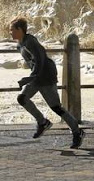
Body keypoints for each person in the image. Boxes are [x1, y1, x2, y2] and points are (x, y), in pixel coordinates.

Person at [10, 16, 85, 149]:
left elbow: (41, 60)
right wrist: (31, 77)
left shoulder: (30, 42)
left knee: (56, 107)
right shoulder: (19, 45)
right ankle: (42, 122)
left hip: (46, 76)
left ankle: (77, 132)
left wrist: (29, 78)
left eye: (12, 30)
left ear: (20, 29)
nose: (10, 32)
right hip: (36, 77)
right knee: (22, 98)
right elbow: (33, 63)